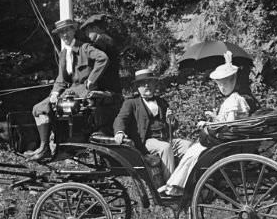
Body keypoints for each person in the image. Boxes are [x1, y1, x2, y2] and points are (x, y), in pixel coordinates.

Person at [157, 51, 251, 198]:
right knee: (192, 150)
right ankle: (175, 183)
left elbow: (231, 126)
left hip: (227, 142)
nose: (222, 87)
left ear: (233, 81)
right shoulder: (237, 99)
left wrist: (208, 124)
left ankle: (176, 186)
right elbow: (228, 123)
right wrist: (214, 118)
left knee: (193, 153)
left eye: (225, 83)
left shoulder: (234, 100)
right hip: (228, 139)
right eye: (220, 84)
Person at [25, 18, 115, 161]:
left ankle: (68, 147)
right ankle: (44, 147)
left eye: (67, 31)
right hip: (69, 91)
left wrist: (91, 81)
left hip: (83, 91)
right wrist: (55, 93)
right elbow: (61, 79)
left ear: (73, 31)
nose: (65, 35)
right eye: (61, 33)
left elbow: (103, 58)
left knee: (64, 108)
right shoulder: (63, 54)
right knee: (38, 108)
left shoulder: (84, 48)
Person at [112, 69, 191, 181]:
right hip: (147, 142)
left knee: (188, 145)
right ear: (137, 87)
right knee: (165, 148)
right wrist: (119, 132)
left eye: (150, 82)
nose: (147, 85)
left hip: (166, 138)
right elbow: (121, 119)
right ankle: (170, 187)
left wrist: (171, 121)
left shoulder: (161, 101)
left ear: (155, 84)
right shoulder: (131, 103)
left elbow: (172, 126)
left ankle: (186, 182)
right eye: (142, 83)